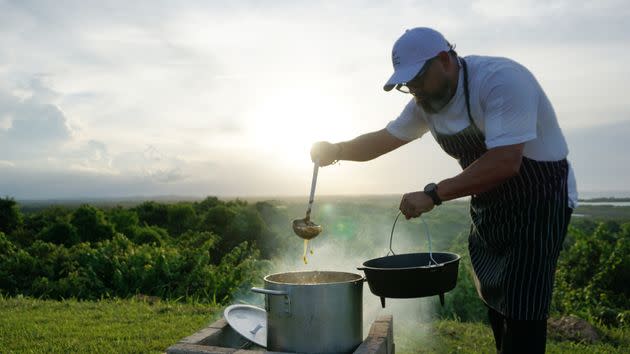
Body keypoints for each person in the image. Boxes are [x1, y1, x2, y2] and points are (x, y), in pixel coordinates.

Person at [310, 27, 577, 354]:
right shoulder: (426, 103)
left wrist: (433, 194)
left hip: (540, 199)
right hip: (489, 203)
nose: (414, 90)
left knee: (524, 309)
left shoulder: (501, 80)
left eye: (418, 79)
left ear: (444, 60)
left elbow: (506, 161)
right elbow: (385, 138)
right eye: (406, 85)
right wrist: (336, 150)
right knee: (497, 301)